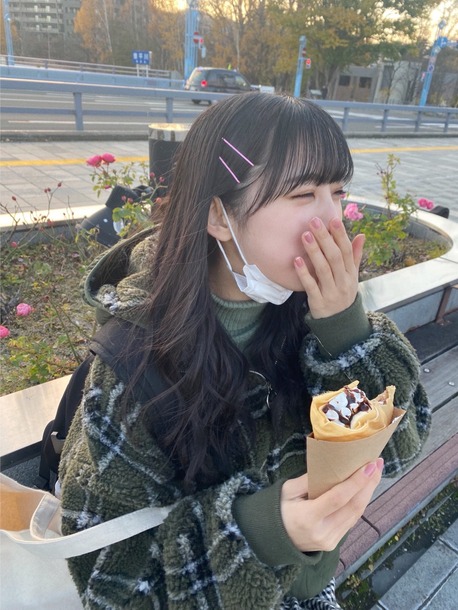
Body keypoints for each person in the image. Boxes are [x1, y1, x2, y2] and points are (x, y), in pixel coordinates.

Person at [59, 93, 430, 609]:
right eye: (303, 194)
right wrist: (258, 533)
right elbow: (109, 583)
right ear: (218, 215)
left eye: (338, 192)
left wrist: (347, 333)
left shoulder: (313, 316)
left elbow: (400, 449)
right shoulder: (135, 365)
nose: (333, 222)